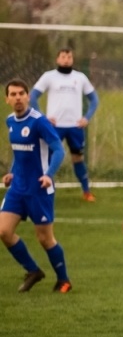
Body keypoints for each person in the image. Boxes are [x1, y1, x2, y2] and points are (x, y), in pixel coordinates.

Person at [3, 78, 71, 292]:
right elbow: (19, 154)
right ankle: (33, 270)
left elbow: (59, 150)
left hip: (39, 190)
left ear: (28, 96)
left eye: (21, 93)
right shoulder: (10, 121)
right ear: (7, 99)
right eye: (12, 94)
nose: (17, 98)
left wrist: (49, 174)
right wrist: (12, 173)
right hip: (17, 189)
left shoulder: (39, 121)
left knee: (44, 238)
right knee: (4, 231)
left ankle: (64, 280)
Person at [30, 47, 98, 201]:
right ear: (57, 59)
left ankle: (86, 191)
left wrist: (86, 117)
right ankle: (43, 189)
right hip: (54, 126)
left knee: (78, 159)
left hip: (75, 127)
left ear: (72, 59)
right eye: (63, 56)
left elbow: (94, 99)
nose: (66, 59)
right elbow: (33, 96)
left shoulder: (80, 77)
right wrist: (43, 117)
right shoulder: (49, 76)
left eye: (69, 57)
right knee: (48, 158)